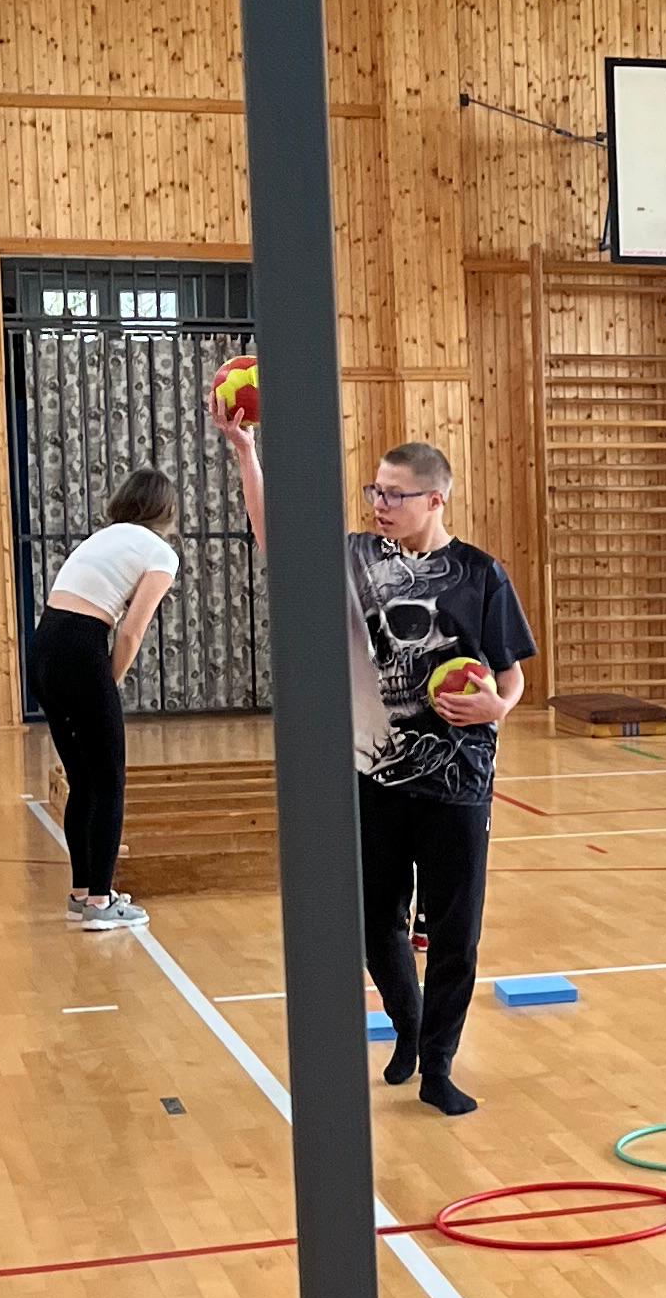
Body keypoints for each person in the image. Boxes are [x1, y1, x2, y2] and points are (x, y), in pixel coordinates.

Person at [222, 404, 533, 1115]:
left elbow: (511, 674)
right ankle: (410, 1026)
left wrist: (499, 707)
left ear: (436, 499)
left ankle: (438, 1068)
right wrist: (244, 449)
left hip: (459, 779)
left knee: (455, 935)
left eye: (394, 494)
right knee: (375, 922)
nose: (379, 504)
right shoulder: (356, 557)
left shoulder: (481, 575)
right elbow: (275, 537)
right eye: (375, 491)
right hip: (373, 776)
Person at [28, 468, 179, 931]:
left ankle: (82, 892)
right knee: (110, 779)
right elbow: (131, 631)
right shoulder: (160, 553)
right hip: (81, 648)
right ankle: (100, 902)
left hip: (44, 647)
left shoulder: (102, 538)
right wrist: (106, 685)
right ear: (167, 510)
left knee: (83, 779)